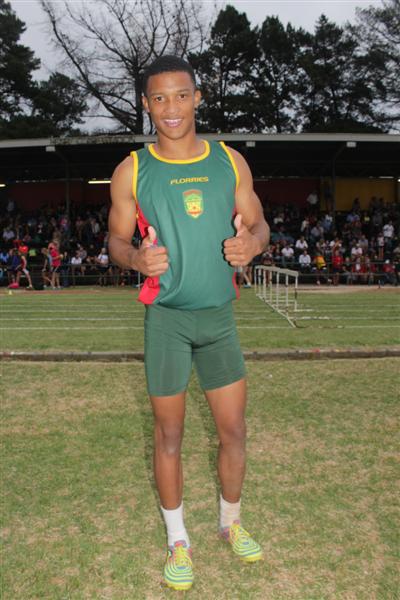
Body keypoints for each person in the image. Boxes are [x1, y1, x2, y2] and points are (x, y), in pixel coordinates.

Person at [108, 55, 269, 591]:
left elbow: (260, 224)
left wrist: (252, 245)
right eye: (159, 98)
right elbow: (115, 240)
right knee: (169, 435)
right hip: (168, 323)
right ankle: (178, 540)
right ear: (147, 105)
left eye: (181, 95)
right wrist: (135, 258)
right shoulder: (132, 169)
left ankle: (231, 522)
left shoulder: (230, 161)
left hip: (219, 319)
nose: (171, 107)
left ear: (198, 97)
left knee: (234, 430)